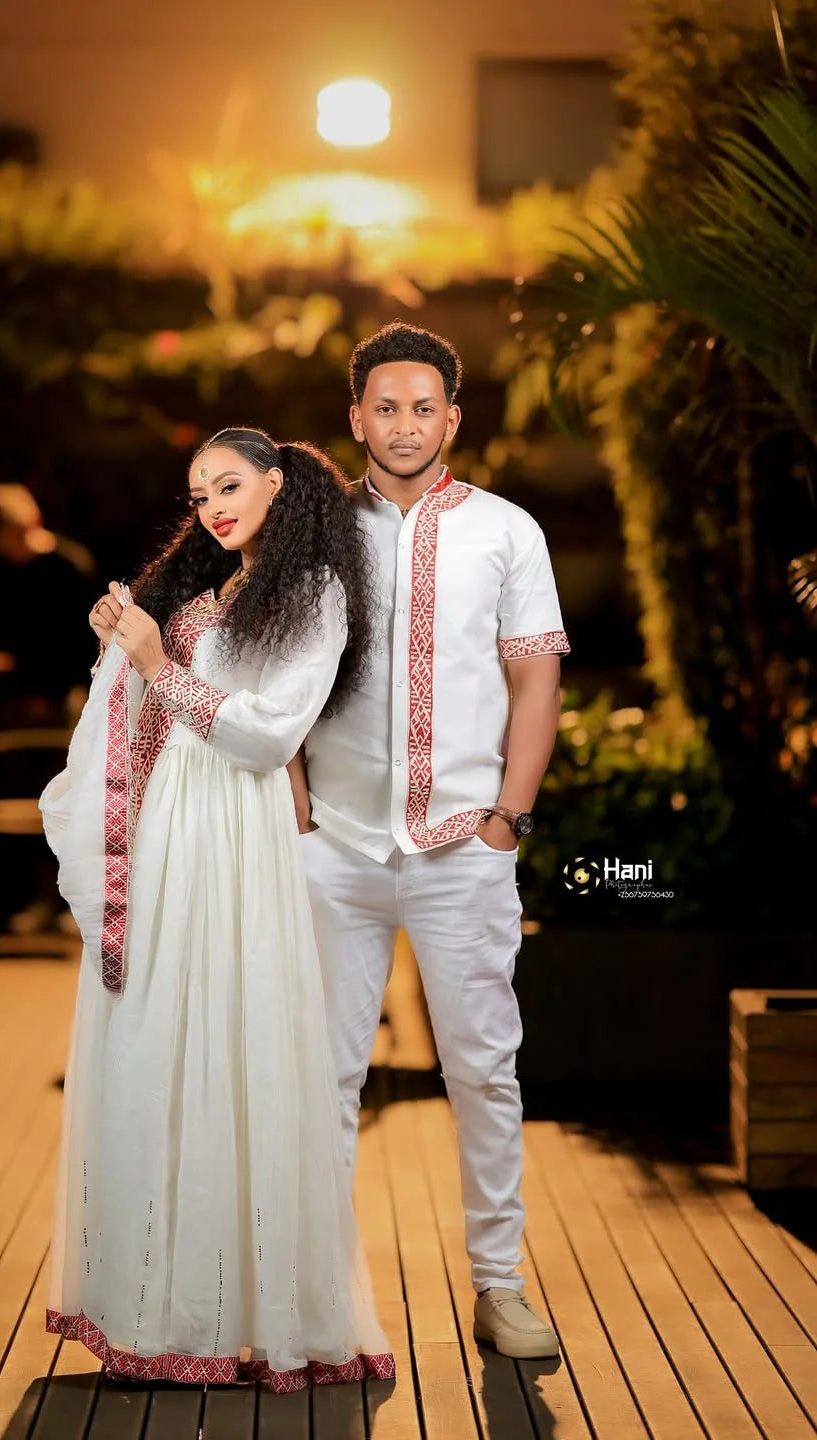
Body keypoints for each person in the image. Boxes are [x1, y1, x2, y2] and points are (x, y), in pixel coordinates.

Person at [39, 428, 394, 1390]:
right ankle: (160, 1309)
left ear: (279, 484)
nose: (211, 506)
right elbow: (158, 700)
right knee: (158, 1035)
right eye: (198, 495)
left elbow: (269, 735)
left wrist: (156, 663)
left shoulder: (313, 593)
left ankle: (249, 1315)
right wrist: (123, 651)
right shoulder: (217, 590)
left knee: (231, 1045)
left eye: (229, 485)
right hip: (171, 829)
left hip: (235, 833)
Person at [298, 322, 569, 1360]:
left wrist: (510, 817)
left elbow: (534, 676)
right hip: (335, 848)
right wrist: (294, 797)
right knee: (319, 1076)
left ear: (451, 419)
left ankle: (499, 1287)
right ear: (355, 416)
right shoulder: (312, 532)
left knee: (485, 1072)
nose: (404, 425)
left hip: (465, 847)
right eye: (385, 407)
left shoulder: (507, 531)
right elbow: (274, 669)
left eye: (424, 408)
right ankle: (315, 1296)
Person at [0, 483, 95, 727]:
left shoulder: (70, 571)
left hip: (62, 700)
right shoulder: (0, 572)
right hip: (9, 700)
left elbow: (82, 645)